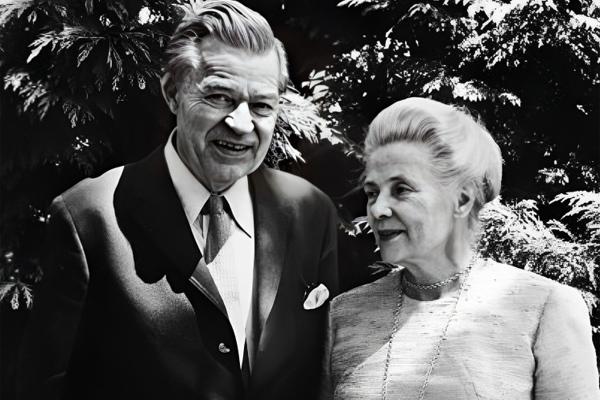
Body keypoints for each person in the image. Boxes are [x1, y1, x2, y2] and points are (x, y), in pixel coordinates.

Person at [16, 1, 338, 399]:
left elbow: (316, 378)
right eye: (219, 96)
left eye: (261, 106)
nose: (242, 124)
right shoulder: (88, 218)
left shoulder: (311, 211)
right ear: (172, 92)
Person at [322, 97, 599, 400]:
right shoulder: (343, 314)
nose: (378, 209)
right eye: (372, 193)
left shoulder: (545, 307)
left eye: (401, 190)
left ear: (462, 200)